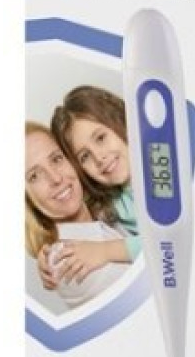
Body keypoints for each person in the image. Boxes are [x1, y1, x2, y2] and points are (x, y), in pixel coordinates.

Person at [24, 122, 134, 307]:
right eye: (34, 176)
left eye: (56, 159)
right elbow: (164, 269)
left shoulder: (103, 208)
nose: (56, 178)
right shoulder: (66, 261)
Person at [51, 86, 140, 261]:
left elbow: (168, 241)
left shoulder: (165, 162)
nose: (99, 158)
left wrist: (105, 251)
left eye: (100, 138)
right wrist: (50, 253)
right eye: (84, 156)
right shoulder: (111, 205)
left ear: (121, 120)